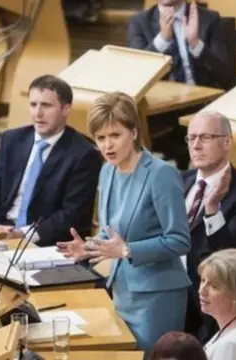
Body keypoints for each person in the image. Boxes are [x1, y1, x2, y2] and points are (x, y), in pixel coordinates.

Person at [56, 92, 191, 357]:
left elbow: (180, 240)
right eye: (101, 138)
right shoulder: (107, 170)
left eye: (115, 135)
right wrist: (89, 248)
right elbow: (112, 233)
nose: (108, 146)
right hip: (121, 291)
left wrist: (128, 250)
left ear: (134, 132)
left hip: (157, 297)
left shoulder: (161, 174)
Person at [0, 75, 102, 246]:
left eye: (46, 106)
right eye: (33, 105)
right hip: (0, 229)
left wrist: (22, 234)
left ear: (66, 109)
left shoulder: (84, 154)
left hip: (41, 240)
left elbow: (70, 215)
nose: (38, 113)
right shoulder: (12, 140)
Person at [182, 111, 236, 343]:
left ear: (227, 142)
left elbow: (232, 261)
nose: (196, 146)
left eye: (205, 137)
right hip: (167, 282)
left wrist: (212, 209)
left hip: (203, 298)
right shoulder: (181, 180)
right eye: (191, 138)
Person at [128, 0, 236, 90]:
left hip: (201, 102)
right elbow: (137, 75)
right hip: (161, 106)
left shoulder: (209, 19)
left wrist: (196, 44)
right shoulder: (139, 22)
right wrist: (162, 40)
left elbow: (226, 78)